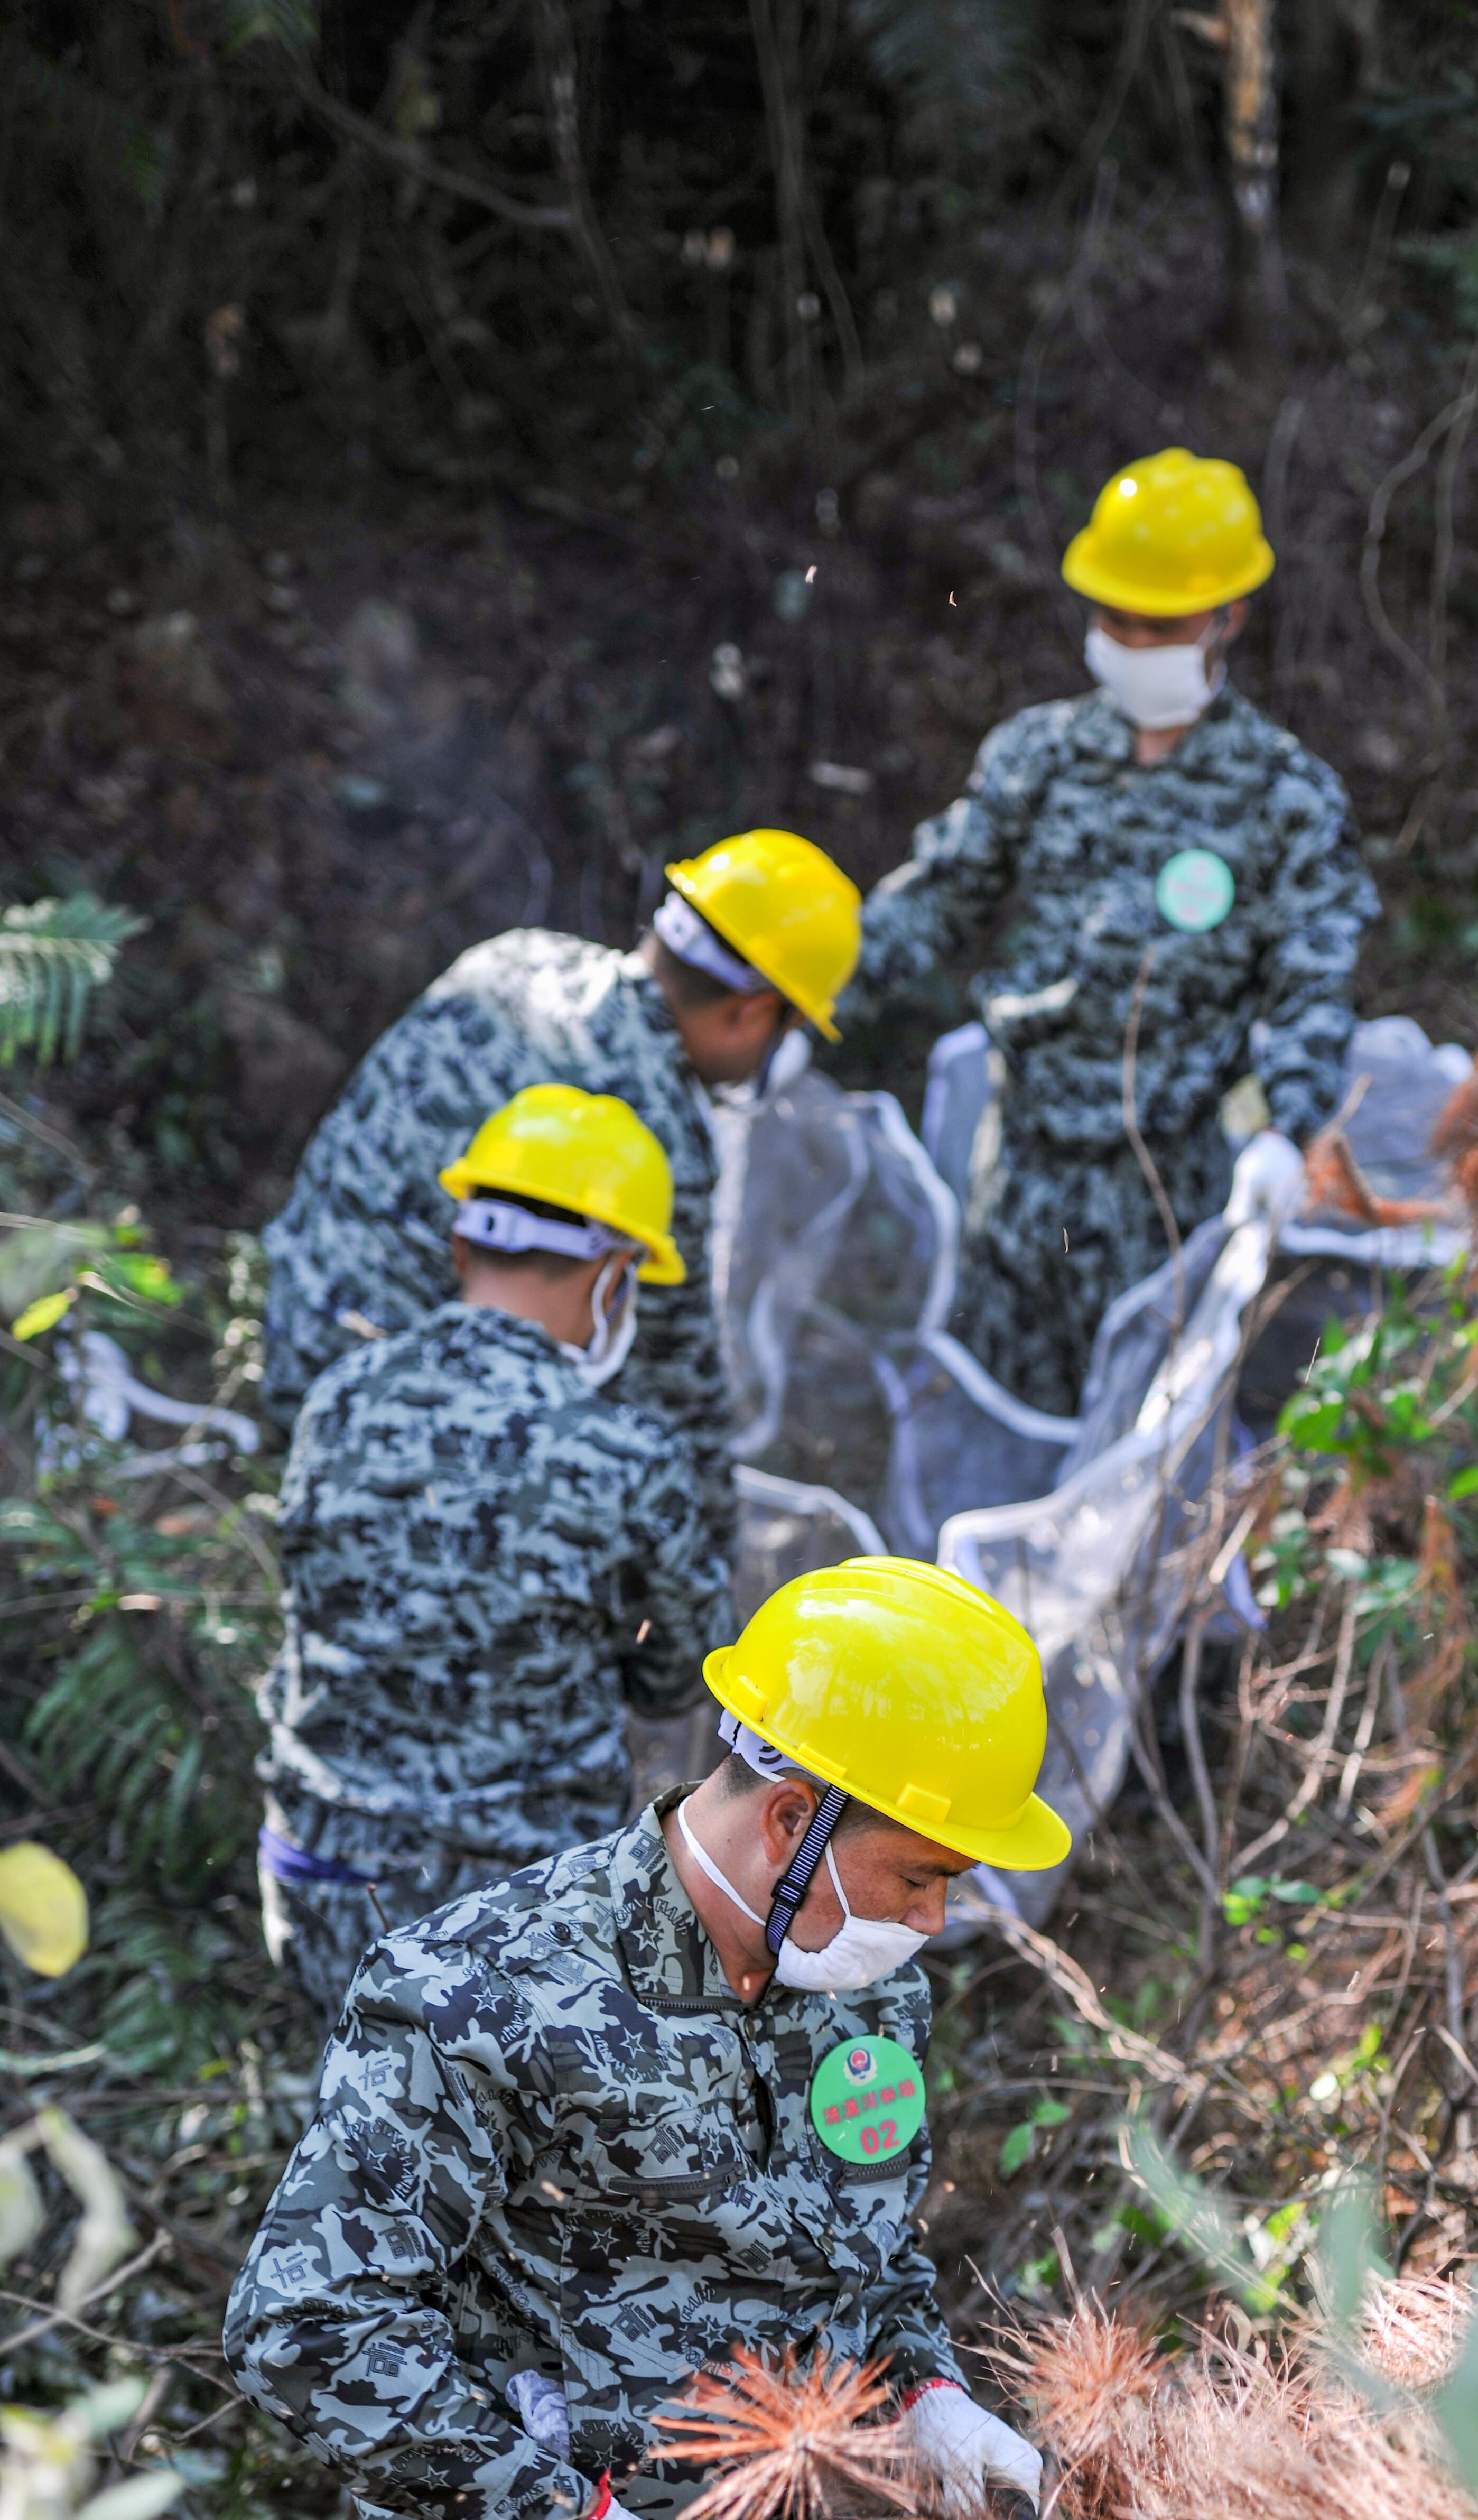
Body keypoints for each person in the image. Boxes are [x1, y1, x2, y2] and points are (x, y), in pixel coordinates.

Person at [225, 1555, 1068, 2520]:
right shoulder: (483, 1993)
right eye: (918, 1876)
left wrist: (928, 2391)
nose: (936, 1916)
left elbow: (861, 2243)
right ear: (790, 1820)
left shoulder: (862, 1987)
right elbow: (307, 2325)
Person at [838, 447, 1379, 1416]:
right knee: (995, 1424)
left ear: (1228, 618)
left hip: (1166, 1200)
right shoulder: (1039, 756)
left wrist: (1287, 1131)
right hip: (1019, 1185)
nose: (1133, 641)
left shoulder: (1282, 797)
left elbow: (1313, 975)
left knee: (1143, 1442)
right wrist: (809, 1003)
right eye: (1114, 619)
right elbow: (936, 900)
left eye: (1160, 624)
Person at [259, 828, 863, 1579]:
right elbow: (675, 1390)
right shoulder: (658, 1139)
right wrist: (711, 1570)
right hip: (392, 1466)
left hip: (293, 1354)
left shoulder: (514, 958)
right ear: (752, 1014)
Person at [257, 1082, 732, 2022]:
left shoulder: (337, 1402)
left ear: (462, 1245)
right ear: (611, 1279)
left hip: (318, 1891)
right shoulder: (622, 1455)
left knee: (354, 2137)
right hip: (511, 1924)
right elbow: (677, 1678)